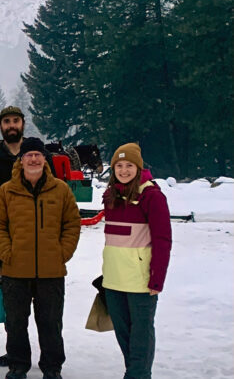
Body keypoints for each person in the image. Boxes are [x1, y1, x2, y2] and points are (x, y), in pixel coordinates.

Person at [0, 137, 80, 379]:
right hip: (15, 271)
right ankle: (18, 364)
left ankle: (52, 366)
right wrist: (7, 252)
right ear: (21, 159)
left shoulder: (60, 189)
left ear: (44, 159)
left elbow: (72, 223)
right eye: (29, 154)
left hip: (51, 272)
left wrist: (63, 253)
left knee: (51, 323)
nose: (34, 159)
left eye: (38, 154)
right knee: (16, 323)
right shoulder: (7, 190)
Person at [0, 105, 53, 368]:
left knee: (39, 310)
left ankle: (36, 356)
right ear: (0, 125)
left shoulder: (37, 154)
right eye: (7, 121)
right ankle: (1, 351)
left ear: (23, 124)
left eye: (16, 121)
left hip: (36, 241)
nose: (11, 125)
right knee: (4, 304)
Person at [101, 143, 171, 379]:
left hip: (141, 280)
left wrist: (157, 279)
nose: (123, 170)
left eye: (129, 165)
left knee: (140, 334)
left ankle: (138, 375)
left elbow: (163, 240)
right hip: (114, 279)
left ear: (138, 168)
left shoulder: (152, 196)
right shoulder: (111, 196)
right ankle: (134, 371)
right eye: (118, 166)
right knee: (123, 333)